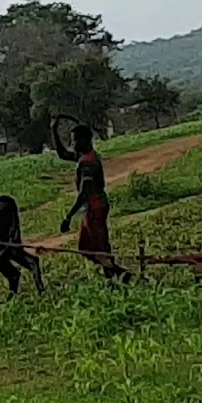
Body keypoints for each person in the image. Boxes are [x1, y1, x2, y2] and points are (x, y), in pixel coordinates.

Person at [51, 117, 132, 282]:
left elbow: (83, 194)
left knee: (94, 248)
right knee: (93, 246)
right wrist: (54, 131)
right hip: (95, 207)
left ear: (84, 140)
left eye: (74, 141)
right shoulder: (87, 156)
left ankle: (120, 275)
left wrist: (68, 217)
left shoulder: (88, 163)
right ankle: (114, 275)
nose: (72, 145)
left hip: (95, 208)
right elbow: (63, 154)